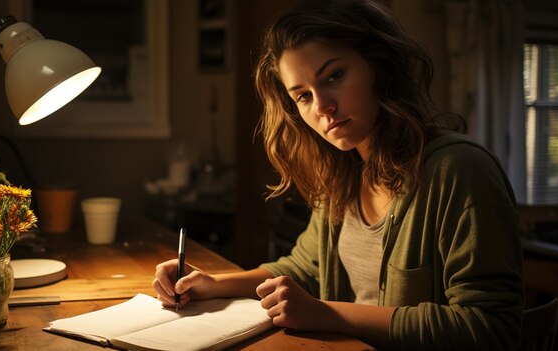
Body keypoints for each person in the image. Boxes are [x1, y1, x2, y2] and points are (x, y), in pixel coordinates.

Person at [152, 0, 524, 349]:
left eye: (334, 75)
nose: (323, 107)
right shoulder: (344, 173)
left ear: (380, 65)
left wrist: (325, 313)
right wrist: (214, 284)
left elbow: (490, 327)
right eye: (302, 96)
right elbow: (304, 268)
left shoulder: (459, 171)